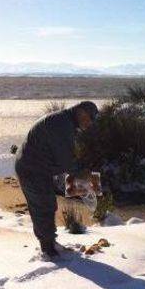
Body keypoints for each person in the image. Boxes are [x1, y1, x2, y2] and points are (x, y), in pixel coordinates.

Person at [15, 101, 99, 258]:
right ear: (80, 113)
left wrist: (80, 177)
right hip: (31, 169)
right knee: (44, 206)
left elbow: (63, 157)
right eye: (89, 118)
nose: (90, 123)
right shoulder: (62, 125)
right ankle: (48, 249)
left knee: (47, 205)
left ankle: (50, 242)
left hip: (39, 167)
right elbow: (66, 160)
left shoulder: (66, 122)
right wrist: (84, 178)